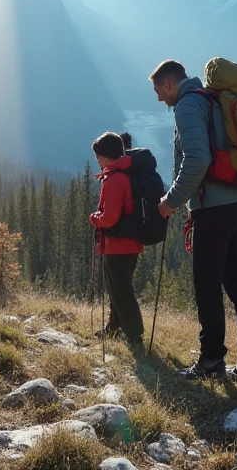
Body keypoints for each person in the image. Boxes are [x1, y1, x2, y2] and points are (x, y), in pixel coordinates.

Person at [150, 60, 237, 385]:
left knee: (208, 286)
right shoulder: (212, 99)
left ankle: (211, 360)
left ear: (170, 84)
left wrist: (170, 202)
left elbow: (198, 158)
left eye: (159, 91)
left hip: (215, 211)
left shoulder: (188, 105)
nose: (160, 99)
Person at [88, 131, 145, 346]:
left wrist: (95, 219)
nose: (97, 160)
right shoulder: (126, 173)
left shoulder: (114, 179)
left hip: (117, 245)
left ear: (106, 156)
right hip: (131, 244)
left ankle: (134, 335)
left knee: (121, 291)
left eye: (98, 156)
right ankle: (113, 328)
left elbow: (110, 218)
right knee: (119, 289)